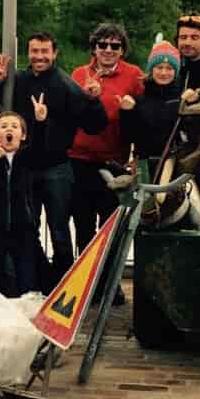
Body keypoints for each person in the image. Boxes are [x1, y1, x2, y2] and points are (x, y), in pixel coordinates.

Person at [12, 31, 107, 289]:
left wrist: (93, 100)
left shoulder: (66, 85)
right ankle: (36, 280)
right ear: (28, 53)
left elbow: (95, 125)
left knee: (59, 231)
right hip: (24, 167)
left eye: (45, 52)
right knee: (26, 227)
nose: (39, 56)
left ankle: (65, 285)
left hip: (57, 167)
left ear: (54, 53)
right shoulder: (17, 81)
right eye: (35, 51)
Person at [68, 24, 144, 255]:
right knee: (83, 225)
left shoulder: (134, 75)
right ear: (94, 48)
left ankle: (108, 282)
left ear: (122, 50)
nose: (108, 50)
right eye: (102, 45)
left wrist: (137, 157)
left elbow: (142, 119)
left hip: (114, 161)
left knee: (110, 227)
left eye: (115, 45)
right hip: (79, 160)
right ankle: (85, 280)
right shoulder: (79, 74)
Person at [0, 91, 47, 297]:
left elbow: (40, 146)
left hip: (23, 228)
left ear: (22, 135)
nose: (9, 130)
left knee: (27, 280)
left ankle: (27, 319)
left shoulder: (27, 158)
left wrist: (40, 121)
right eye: (3, 126)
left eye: (14, 127)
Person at [120, 38, 187, 168]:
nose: (164, 73)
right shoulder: (139, 100)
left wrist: (190, 104)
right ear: (151, 70)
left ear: (175, 72)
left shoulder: (181, 99)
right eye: (159, 67)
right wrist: (126, 113)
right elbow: (127, 138)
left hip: (174, 165)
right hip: (143, 164)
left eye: (169, 68)